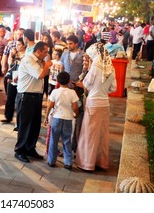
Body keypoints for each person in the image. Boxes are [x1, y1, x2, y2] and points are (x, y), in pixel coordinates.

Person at [75, 42, 117, 172]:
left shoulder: (95, 67)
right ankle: (101, 162)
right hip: (105, 104)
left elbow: (86, 84)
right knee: (102, 135)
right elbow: (113, 88)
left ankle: (87, 163)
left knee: (90, 134)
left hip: (93, 104)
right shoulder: (111, 68)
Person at [14, 41, 52, 163]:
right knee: (25, 125)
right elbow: (40, 75)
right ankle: (20, 150)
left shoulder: (39, 61)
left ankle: (30, 148)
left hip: (36, 96)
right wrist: (47, 66)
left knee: (35, 125)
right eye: (45, 52)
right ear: (38, 51)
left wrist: (44, 65)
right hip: (26, 96)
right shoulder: (29, 60)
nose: (46, 54)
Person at [46, 71, 79, 170]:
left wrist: (46, 117)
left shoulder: (55, 92)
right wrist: (76, 114)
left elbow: (50, 106)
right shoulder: (72, 92)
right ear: (69, 80)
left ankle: (51, 160)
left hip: (56, 118)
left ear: (58, 81)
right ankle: (68, 162)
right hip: (68, 119)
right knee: (67, 141)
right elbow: (75, 107)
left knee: (53, 140)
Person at [2, 38, 26, 124]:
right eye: (16, 44)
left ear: (24, 45)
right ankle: (8, 116)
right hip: (12, 76)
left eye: (19, 45)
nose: (17, 46)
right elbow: (10, 65)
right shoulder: (14, 53)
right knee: (10, 97)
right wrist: (11, 56)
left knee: (19, 100)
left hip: (22, 78)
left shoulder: (27, 55)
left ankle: (19, 121)